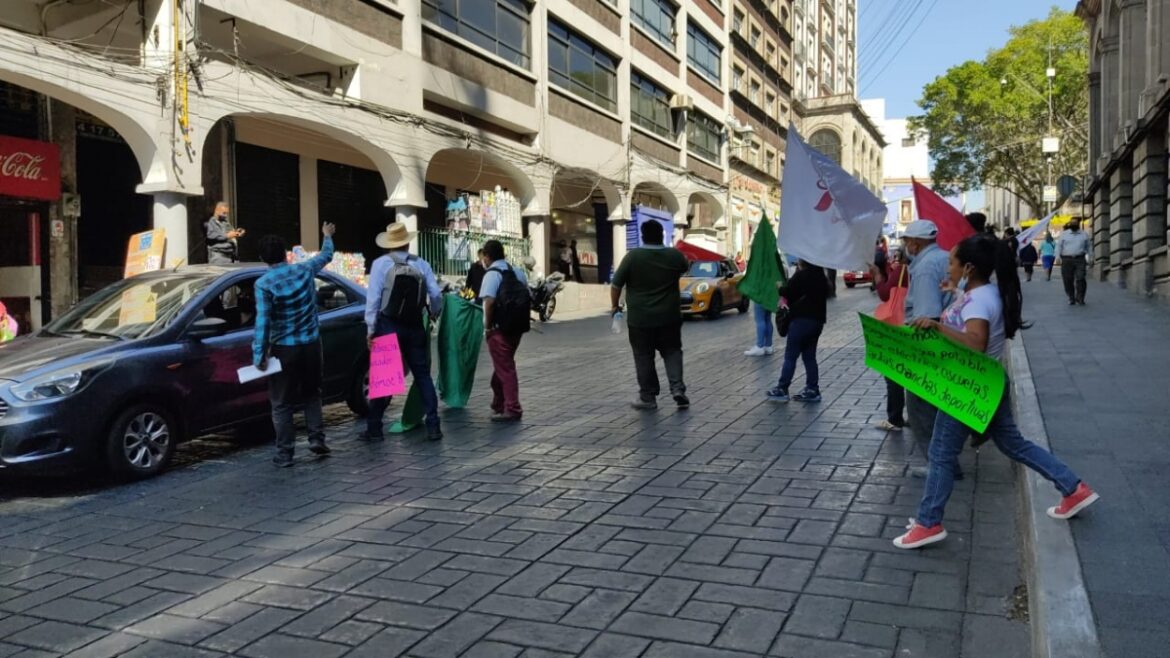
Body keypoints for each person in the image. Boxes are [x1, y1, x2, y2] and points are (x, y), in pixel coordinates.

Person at [894, 234, 1098, 549]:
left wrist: (937, 326)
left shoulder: (979, 300)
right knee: (1014, 445)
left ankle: (928, 522)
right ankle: (1074, 488)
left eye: (952, 262)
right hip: (986, 381)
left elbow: (975, 341)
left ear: (969, 267)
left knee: (940, 455)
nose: (948, 267)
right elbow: (973, 314)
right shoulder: (982, 292)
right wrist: (955, 292)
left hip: (969, 385)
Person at [253, 222, 336, 467]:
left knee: (281, 403)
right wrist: (327, 235)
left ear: (262, 258)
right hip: (311, 344)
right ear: (285, 254)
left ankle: (285, 454)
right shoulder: (304, 270)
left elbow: (263, 323)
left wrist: (259, 355)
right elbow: (326, 255)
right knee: (312, 394)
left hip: (284, 350)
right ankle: (316, 439)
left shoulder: (263, 284)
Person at [361, 222, 445, 442]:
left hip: (387, 324)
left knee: (384, 377)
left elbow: (373, 301)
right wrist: (434, 313)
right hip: (415, 324)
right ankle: (434, 425)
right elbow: (436, 295)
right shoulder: (421, 264)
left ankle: (374, 428)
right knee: (423, 375)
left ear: (389, 244)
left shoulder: (380, 264)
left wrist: (370, 329)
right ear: (407, 242)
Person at [900, 219, 960, 479]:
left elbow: (926, 316)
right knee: (938, 407)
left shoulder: (924, 268)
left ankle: (939, 465)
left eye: (906, 242)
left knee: (920, 408)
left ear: (915, 243)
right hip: (950, 337)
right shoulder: (945, 258)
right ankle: (947, 461)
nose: (905, 246)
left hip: (931, 343)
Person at [611, 220, 690, 411]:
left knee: (643, 356)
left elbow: (616, 285)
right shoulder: (674, 256)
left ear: (642, 235)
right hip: (669, 317)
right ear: (661, 235)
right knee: (672, 352)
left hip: (640, 319)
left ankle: (648, 397)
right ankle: (677, 389)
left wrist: (615, 306)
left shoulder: (633, 257)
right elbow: (685, 267)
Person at [766, 259, 829, 402]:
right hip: (817, 322)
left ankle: (782, 388)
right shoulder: (821, 276)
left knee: (790, 356)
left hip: (801, 321)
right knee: (809, 356)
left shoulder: (801, 275)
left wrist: (779, 287)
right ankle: (813, 389)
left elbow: (788, 293)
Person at [480, 240, 529, 422]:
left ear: (487, 256)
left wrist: (487, 327)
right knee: (502, 366)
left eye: (483, 256)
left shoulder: (491, 274)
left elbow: (489, 302)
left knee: (505, 368)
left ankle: (512, 408)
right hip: (517, 328)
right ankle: (498, 403)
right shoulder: (516, 271)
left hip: (498, 330)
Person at [870, 246, 909, 430]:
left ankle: (894, 418)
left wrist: (878, 276)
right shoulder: (915, 269)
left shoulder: (902, 270)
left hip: (899, 326)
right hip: (911, 322)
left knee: (893, 374)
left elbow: (885, 294)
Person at [1057, 219, 1092, 305]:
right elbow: (1059, 246)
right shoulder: (1064, 235)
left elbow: (1089, 247)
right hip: (1066, 259)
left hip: (1080, 259)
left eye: (1075, 223)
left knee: (1081, 278)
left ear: (1078, 224)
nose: (1073, 224)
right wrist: (1057, 257)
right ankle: (1071, 297)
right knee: (1067, 280)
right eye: (1071, 223)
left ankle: (1080, 298)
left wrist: (1091, 257)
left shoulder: (1084, 235)